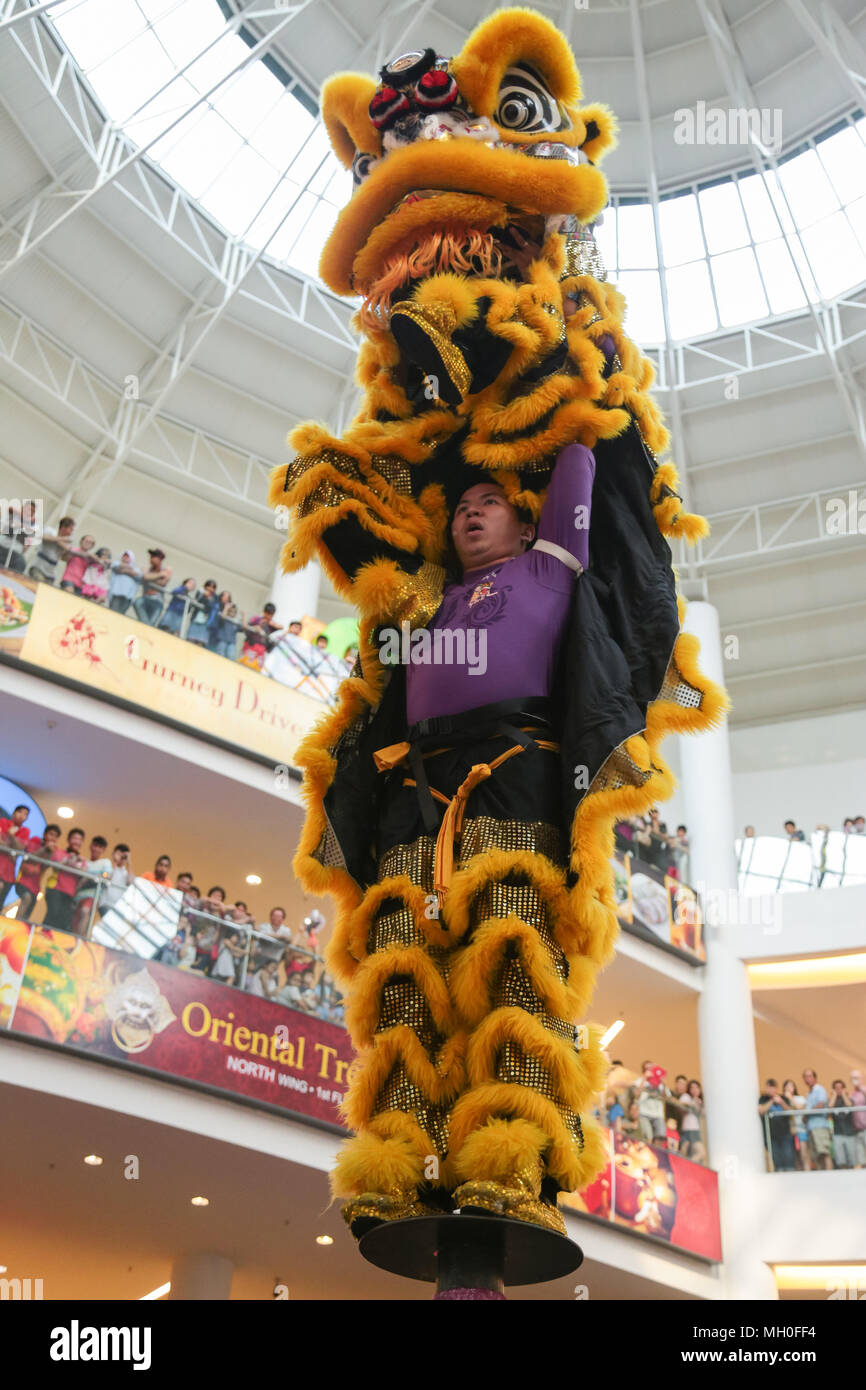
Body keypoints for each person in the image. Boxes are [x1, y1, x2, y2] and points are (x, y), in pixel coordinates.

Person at [13, 822, 60, 921]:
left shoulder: (54, 851)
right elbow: (28, 858)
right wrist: (44, 849)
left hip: (35, 887)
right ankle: (14, 923)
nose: (52, 838)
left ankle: (21, 929)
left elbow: (44, 868)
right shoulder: (35, 841)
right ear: (45, 834)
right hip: (22, 881)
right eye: (51, 834)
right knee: (26, 898)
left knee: (28, 913)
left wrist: (50, 853)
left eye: (55, 836)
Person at [43, 827, 87, 931]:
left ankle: (53, 944)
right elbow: (55, 867)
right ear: (69, 840)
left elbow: (83, 876)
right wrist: (67, 860)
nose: (77, 841)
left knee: (63, 921)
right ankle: (42, 939)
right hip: (55, 888)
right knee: (53, 914)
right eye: (74, 838)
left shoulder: (82, 860)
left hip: (70, 894)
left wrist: (76, 865)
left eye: (79, 839)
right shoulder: (59, 853)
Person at [71, 834, 112, 935]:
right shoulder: (85, 862)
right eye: (95, 845)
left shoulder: (105, 862)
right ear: (91, 846)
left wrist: (89, 877)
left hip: (93, 895)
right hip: (78, 895)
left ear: (103, 850)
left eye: (100, 847)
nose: (96, 849)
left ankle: (80, 940)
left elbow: (107, 876)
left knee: (85, 912)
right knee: (74, 920)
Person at [0, 804, 33, 909]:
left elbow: (20, 848)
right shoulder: (3, 822)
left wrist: (10, 836)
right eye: (20, 812)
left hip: (8, 873)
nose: (22, 815)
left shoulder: (25, 831)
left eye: (25, 814)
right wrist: (12, 850)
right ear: (14, 813)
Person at [758, 1079, 795, 1171]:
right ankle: (780, 1173)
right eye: (769, 1088)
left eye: (773, 1088)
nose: (771, 1090)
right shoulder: (763, 1099)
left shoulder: (783, 1098)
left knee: (788, 1156)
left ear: (776, 1088)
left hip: (785, 1133)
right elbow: (761, 1110)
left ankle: (791, 1174)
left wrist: (781, 1102)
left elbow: (791, 1111)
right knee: (776, 1158)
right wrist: (771, 1101)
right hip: (771, 1135)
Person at [28, 515, 75, 584]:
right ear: (63, 527)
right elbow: (42, 536)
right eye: (70, 529)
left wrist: (68, 551)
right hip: (38, 568)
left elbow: (64, 558)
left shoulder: (67, 542)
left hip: (51, 574)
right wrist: (61, 540)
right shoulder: (50, 531)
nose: (71, 532)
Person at [802, 1068, 833, 1171]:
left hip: (820, 1126)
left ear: (815, 1078)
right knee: (816, 1156)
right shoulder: (809, 1093)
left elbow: (820, 1104)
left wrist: (807, 1113)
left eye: (809, 1076)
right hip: (811, 1128)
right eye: (805, 1077)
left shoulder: (819, 1089)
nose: (807, 1079)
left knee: (824, 1153)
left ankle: (830, 1175)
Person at [632, 1060, 669, 1143]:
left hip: (658, 1114)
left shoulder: (660, 1083)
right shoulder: (640, 1080)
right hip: (644, 1113)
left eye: (651, 1068)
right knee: (647, 1136)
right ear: (643, 1071)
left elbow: (666, 1097)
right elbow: (636, 1095)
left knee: (660, 1137)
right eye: (647, 1069)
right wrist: (644, 1078)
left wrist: (663, 1083)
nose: (649, 1071)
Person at [134, 548, 172, 625]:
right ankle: (146, 626)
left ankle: (146, 627)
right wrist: (160, 575)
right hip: (145, 598)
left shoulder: (166, 570)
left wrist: (150, 577)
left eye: (154, 556)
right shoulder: (146, 568)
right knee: (137, 602)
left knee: (151, 623)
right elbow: (145, 577)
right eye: (151, 556)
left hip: (157, 601)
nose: (151, 558)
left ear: (160, 559)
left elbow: (163, 583)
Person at [239, 602, 281, 670]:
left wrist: (270, 623)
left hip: (261, 651)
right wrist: (256, 627)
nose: (269, 617)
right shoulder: (256, 619)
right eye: (268, 614)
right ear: (264, 612)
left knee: (255, 670)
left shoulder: (271, 623)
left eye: (271, 615)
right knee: (244, 667)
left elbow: (281, 627)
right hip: (250, 646)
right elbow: (246, 626)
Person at [829, 1079, 857, 1169]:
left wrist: (844, 1094)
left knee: (852, 1159)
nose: (839, 1090)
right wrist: (834, 1095)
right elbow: (830, 1107)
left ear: (844, 1089)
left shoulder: (850, 1099)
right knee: (840, 1160)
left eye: (841, 1088)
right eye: (836, 1088)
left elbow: (849, 1105)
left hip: (850, 1133)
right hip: (838, 1133)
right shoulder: (832, 1101)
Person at [100, 843, 135, 914]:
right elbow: (106, 877)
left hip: (119, 907)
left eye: (123, 856)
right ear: (113, 854)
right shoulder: (106, 866)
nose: (121, 858)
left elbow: (131, 882)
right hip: (105, 904)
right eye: (119, 854)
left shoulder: (126, 873)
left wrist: (129, 862)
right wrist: (115, 862)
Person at [783, 1080, 809, 1170]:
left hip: (801, 1129)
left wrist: (790, 1098)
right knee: (795, 1157)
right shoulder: (783, 1100)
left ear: (794, 1088)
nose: (789, 1088)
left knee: (804, 1154)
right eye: (786, 1086)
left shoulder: (800, 1098)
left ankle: (808, 1173)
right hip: (789, 1131)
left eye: (791, 1086)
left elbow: (799, 1107)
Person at [679, 1079, 706, 1163]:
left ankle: (687, 1166)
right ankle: (688, 1165)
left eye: (697, 1087)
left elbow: (703, 1113)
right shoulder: (686, 1097)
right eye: (692, 1088)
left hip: (696, 1130)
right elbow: (684, 1106)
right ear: (689, 1089)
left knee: (689, 1153)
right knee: (701, 1152)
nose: (694, 1090)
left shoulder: (700, 1101)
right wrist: (694, 1101)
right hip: (689, 1128)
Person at [208, 593, 241, 658]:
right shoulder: (224, 616)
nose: (232, 613)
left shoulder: (235, 621)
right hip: (220, 639)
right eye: (230, 611)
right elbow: (223, 617)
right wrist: (226, 607)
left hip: (231, 642)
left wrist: (243, 616)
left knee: (231, 656)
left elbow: (242, 627)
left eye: (234, 612)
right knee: (220, 654)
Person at [186, 579, 218, 645]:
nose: (210, 588)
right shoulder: (200, 592)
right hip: (196, 619)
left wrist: (208, 598)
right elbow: (196, 602)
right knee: (190, 639)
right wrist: (202, 595)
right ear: (205, 586)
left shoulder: (215, 597)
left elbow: (210, 607)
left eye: (213, 587)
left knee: (200, 641)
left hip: (206, 622)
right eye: (209, 586)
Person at [849, 1071, 866, 1168]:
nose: (854, 1080)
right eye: (852, 1078)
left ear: (861, 1078)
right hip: (857, 1129)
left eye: (856, 1077)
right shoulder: (852, 1094)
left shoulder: (864, 1090)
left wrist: (861, 1087)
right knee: (861, 1157)